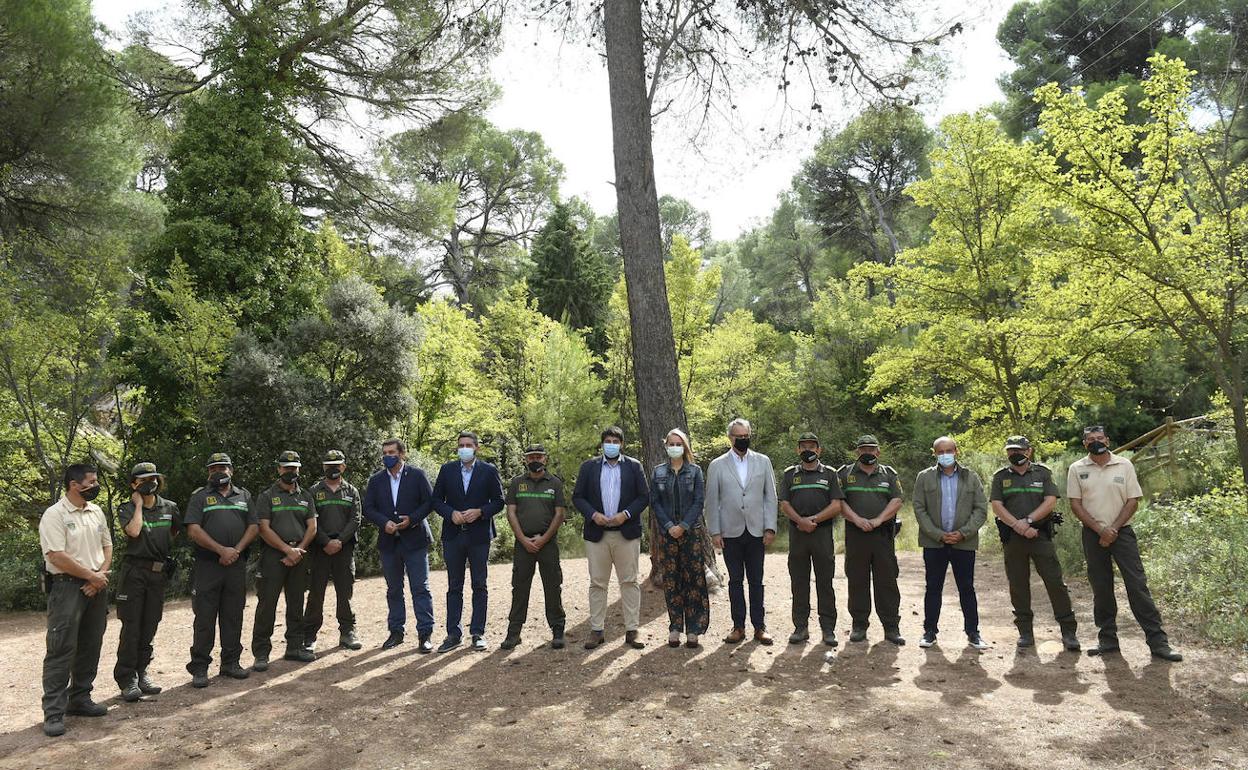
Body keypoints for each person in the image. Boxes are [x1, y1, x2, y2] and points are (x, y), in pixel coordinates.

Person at [1067, 426, 1182, 661]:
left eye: (1100, 438)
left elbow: (1133, 500)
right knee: (1101, 587)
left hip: (1123, 533)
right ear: (1084, 444)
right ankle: (1107, 641)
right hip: (1092, 535)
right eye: (1091, 440)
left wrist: (1113, 529)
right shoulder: (1077, 468)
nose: (1096, 442)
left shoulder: (1124, 465)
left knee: (1137, 586)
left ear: (1108, 440)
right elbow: (1076, 505)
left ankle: (1158, 642)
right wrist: (1100, 529)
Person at [39, 463, 111, 737]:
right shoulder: (54, 514)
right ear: (74, 484)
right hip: (67, 587)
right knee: (61, 648)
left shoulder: (96, 512)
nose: (95, 486)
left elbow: (108, 545)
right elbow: (55, 555)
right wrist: (90, 576)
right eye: (91, 482)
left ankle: (80, 698)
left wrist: (99, 576)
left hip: (96, 586)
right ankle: (54, 713)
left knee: (91, 644)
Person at [989, 436, 1079, 651]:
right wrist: (1018, 526)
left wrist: (1028, 522)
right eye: (1010, 451)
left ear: (1029, 451)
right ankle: (1025, 632)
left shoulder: (1042, 473)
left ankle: (1068, 631)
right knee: (1018, 586)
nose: (1014, 454)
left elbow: (1050, 501)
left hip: (1040, 536)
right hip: (1013, 538)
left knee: (1055, 583)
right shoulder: (1001, 477)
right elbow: (997, 505)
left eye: (1019, 450)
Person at [572, 426, 650, 650]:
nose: (612, 443)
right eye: (608, 440)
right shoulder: (588, 467)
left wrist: (625, 515)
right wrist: (593, 514)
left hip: (627, 534)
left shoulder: (634, 467)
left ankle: (632, 630)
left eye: (616, 440)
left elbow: (644, 497)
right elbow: (578, 497)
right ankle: (597, 630)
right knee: (597, 583)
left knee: (629, 582)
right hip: (597, 535)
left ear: (622, 444)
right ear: (602, 443)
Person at [185, 452, 257, 688]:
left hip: (236, 565)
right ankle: (200, 667)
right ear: (208, 473)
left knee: (233, 615)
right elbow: (194, 530)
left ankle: (231, 663)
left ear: (231, 470)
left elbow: (254, 526)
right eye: (214, 468)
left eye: (223, 468)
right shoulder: (200, 497)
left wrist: (234, 550)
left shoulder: (244, 495)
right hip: (208, 566)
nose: (219, 472)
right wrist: (220, 550)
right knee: (204, 617)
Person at [705, 418, 778, 645]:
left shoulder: (763, 462)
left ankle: (760, 627)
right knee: (735, 581)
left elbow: (770, 497)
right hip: (730, 532)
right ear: (730, 437)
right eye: (738, 436)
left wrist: (770, 527)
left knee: (757, 581)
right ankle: (738, 627)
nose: (743, 439)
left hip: (756, 530)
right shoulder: (717, 465)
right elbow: (711, 500)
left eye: (746, 435)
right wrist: (715, 531)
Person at [431, 431, 505, 652]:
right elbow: (436, 500)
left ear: (476, 448)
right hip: (453, 535)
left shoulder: (489, 471)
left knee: (479, 584)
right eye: (461, 445)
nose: (464, 448)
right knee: (454, 585)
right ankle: (453, 634)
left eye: (468, 445)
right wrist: (450, 512)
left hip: (479, 535)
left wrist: (481, 511)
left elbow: (499, 501)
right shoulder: (447, 470)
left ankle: (478, 632)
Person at [913, 436, 989, 651]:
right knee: (933, 587)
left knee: (967, 588)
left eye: (949, 450)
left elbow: (981, 509)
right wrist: (938, 534)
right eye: (940, 451)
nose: (945, 454)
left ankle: (973, 633)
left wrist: (963, 533)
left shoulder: (971, 477)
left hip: (963, 543)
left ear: (956, 451)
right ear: (934, 453)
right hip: (934, 543)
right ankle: (929, 632)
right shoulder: (924, 477)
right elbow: (919, 508)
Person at [114, 462, 181, 703]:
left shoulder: (170, 507)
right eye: (142, 480)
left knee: (150, 625)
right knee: (131, 627)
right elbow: (133, 532)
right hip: (134, 574)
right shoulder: (126, 508)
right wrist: (139, 505)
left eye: (152, 478)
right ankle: (127, 678)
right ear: (133, 484)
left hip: (158, 575)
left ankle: (142, 673)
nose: (149, 483)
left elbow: (174, 534)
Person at [362, 438, 436, 653]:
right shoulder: (376, 480)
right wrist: (384, 522)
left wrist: (411, 519)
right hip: (388, 542)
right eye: (385, 452)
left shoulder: (417, 475)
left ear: (402, 454)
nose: (388, 456)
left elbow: (430, 502)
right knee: (394, 589)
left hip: (414, 540)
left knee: (420, 588)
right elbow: (368, 507)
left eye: (392, 452)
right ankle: (396, 631)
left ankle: (425, 634)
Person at [251, 451, 318, 671]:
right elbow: (263, 528)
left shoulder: (306, 496)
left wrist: (298, 551)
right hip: (273, 555)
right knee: (267, 606)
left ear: (299, 469)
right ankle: (261, 653)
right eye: (286, 468)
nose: (290, 472)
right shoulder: (267, 496)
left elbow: (312, 527)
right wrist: (287, 550)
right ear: (279, 469)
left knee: (296, 603)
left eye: (294, 468)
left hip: (300, 553)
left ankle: (294, 647)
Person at [779, 432, 845, 647]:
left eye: (812, 446)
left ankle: (828, 629)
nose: (808, 449)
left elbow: (837, 505)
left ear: (819, 450)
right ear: (798, 450)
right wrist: (801, 521)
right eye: (803, 446)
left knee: (825, 583)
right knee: (799, 582)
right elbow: (784, 504)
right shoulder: (789, 474)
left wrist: (813, 520)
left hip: (822, 534)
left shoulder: (830, 474)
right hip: (798, 534)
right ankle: (800, 627)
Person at [838, 435, 906, 645]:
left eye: (871, 449)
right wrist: (857, 520)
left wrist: (878, 520)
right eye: (863, 449)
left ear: (878, 451)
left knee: (886, 581)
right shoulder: (845, 473)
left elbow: (897, 500)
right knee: (857, 580)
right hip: (856, 534)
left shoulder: (889, 474)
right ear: (857, 452)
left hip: (882, 535)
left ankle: (891, 627)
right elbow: (838, 501)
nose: (867, 452)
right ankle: (859, 625)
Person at [501, 444, 567, 650]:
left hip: (547, 545)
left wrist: (543, 539)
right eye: (531, 457)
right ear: (525, 460)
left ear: (545, 459)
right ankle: (513, 633)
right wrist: (523, 539)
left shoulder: (555, 483)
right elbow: (511, 512)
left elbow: (560, 514)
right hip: (523, 545)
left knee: (553, 587)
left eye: (539, 456)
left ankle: (557, 630)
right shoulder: (516, 483)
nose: (535, 460)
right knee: (519, 588)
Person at [650, 428, 709, 649]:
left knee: (693, 580)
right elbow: (654, 502)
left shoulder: (695, 472)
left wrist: (683, 526)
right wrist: (669, 526)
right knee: (672, 581)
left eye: (679, 443)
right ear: (666, 446)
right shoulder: (658, 472)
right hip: (667, 535)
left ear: (685, 446)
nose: (674, 447)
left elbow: (698, 501)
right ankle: (675, 627)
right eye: (671, 443)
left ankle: (693, 629)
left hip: (690, 534)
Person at [304, 449, 364, 653]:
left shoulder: (351, 491)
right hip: (319, 550)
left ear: (344, 467)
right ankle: (309, 635)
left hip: (344, 549)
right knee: (315, 593)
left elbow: (355, 519)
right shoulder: (313, 491)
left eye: (337, 465)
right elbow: (311, 521)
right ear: (323, 467)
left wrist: (339, 541)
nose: (333, 469)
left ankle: (347, 632)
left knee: (345, 592)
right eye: (329, 465)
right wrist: (325, 541)